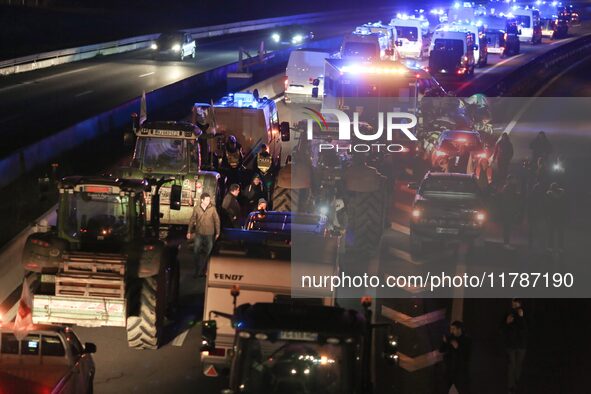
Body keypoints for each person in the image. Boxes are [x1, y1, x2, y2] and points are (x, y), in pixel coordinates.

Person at [186, 193, 220, 277]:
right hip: (199, 233)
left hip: (209, 234)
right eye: (207, 200)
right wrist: (189, 231)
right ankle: (197, 270)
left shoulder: (212, 209)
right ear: (202, 200)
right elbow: (192, 220)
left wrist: (217, 232)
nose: (209, 201)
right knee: (196, 252)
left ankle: (204, 270)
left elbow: (217, 220)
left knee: (208, 253)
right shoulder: (197, 208)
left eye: (209, 200)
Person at [502, 299, 527, 394]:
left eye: (515, 302)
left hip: (521, 345)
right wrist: (506, 323)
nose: (514, 304)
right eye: (513, 303)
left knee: (518, 366)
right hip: (511, 345)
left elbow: (526, 329)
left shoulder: (524, 313)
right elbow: (502, 329)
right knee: (511, 365)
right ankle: (511, 387)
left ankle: (517, 386)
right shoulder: (508, 314)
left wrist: (521, 317)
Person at [439, 321, 471, 394]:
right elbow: (441, 350)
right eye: (451, 329)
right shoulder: (450, 338)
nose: (451, 331)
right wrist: (444, 342)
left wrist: (457, 347)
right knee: (443, 390)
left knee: (463, 390)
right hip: (449, 370)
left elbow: (466, 355)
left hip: (459, 372)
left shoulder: (466, 340)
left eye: (453, 329)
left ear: (459, 329)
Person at [499, 180, 521, 249]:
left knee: (506, 227)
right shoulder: (510, 191)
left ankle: (506, 242)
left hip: (506, 210)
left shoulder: (505, 189)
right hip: (508, 211)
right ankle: (506, 243)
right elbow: (513, 202)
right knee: (507, 227)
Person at [545, 182, 568, 251]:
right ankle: (561, 247)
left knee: (551, 232)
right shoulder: (562, 193)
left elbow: (547, 206)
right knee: (560, 233)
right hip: (560, 215)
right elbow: (565, 205)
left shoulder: (549, 194)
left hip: (552, 215)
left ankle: (550, 247)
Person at [526, 182, 545, 250]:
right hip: (536, 215)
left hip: (533, 215)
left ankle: (531, 244)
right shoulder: (540, 197)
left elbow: (528, 206)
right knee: (536, 229)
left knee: (532, 230)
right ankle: (535, 244)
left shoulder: (531, 196)